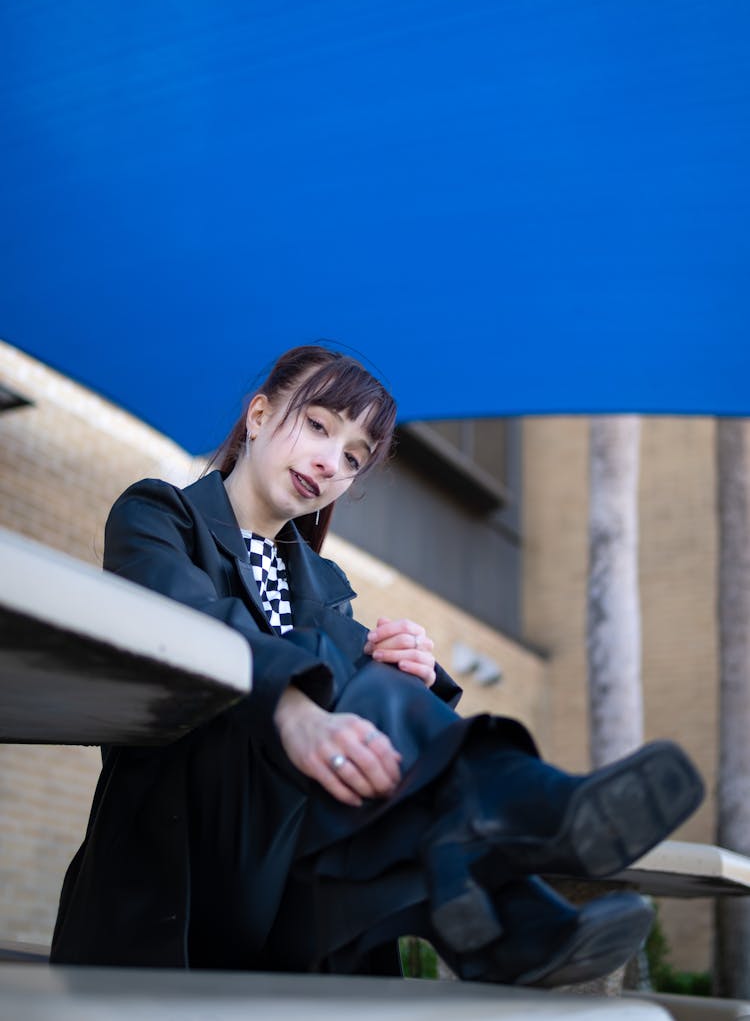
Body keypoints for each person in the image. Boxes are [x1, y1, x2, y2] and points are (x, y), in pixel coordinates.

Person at [51, 345, 704, 986]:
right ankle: (531, 841)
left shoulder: (319, 587)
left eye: (353, 457)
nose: (330, 462)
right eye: (317, 425)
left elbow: (362, 702)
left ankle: (523, 918)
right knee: (364, 690)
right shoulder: (161, 516)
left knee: (382, 686)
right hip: (180, 861)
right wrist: (292, 705)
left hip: (283, 893)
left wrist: (409, 670)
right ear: (257, 416)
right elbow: (185, 622)